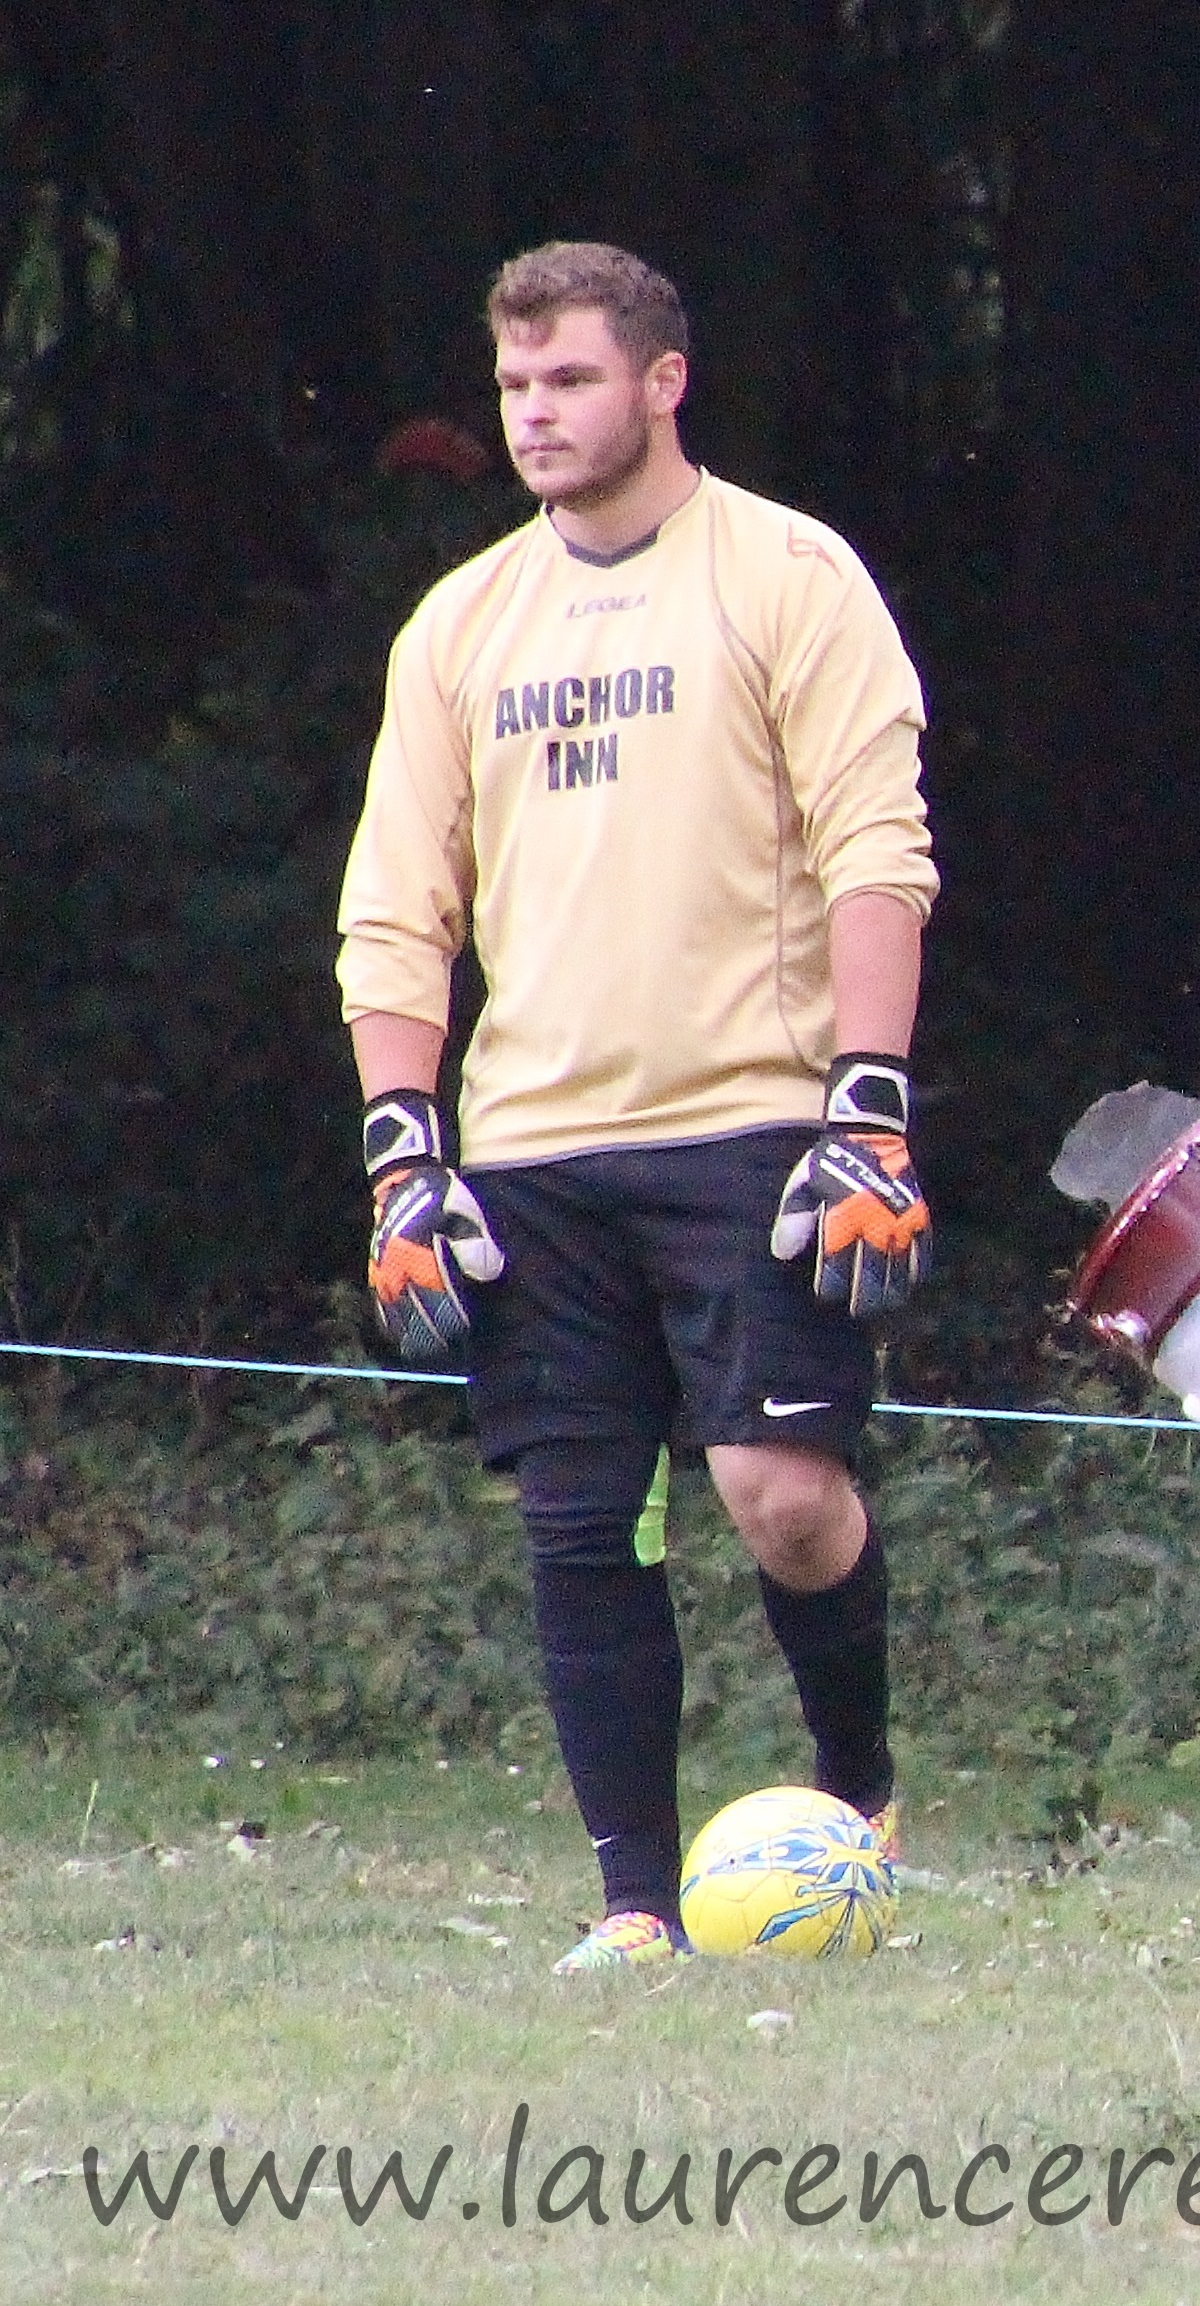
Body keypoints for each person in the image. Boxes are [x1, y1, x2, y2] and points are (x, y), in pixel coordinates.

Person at [336, 242, 938, 1972]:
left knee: (781, 1493)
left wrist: (870, 1109)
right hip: (531, 1144)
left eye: (572, 380)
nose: (535, 414)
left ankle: (858, 1790)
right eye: (515, 385)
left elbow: (876, 848)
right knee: (580, 1518)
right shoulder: (460, 625)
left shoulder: (789, 574)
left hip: (757, 1118)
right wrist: (401, 1152)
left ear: (663, 382)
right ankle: (635, 1903)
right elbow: (396, 910)